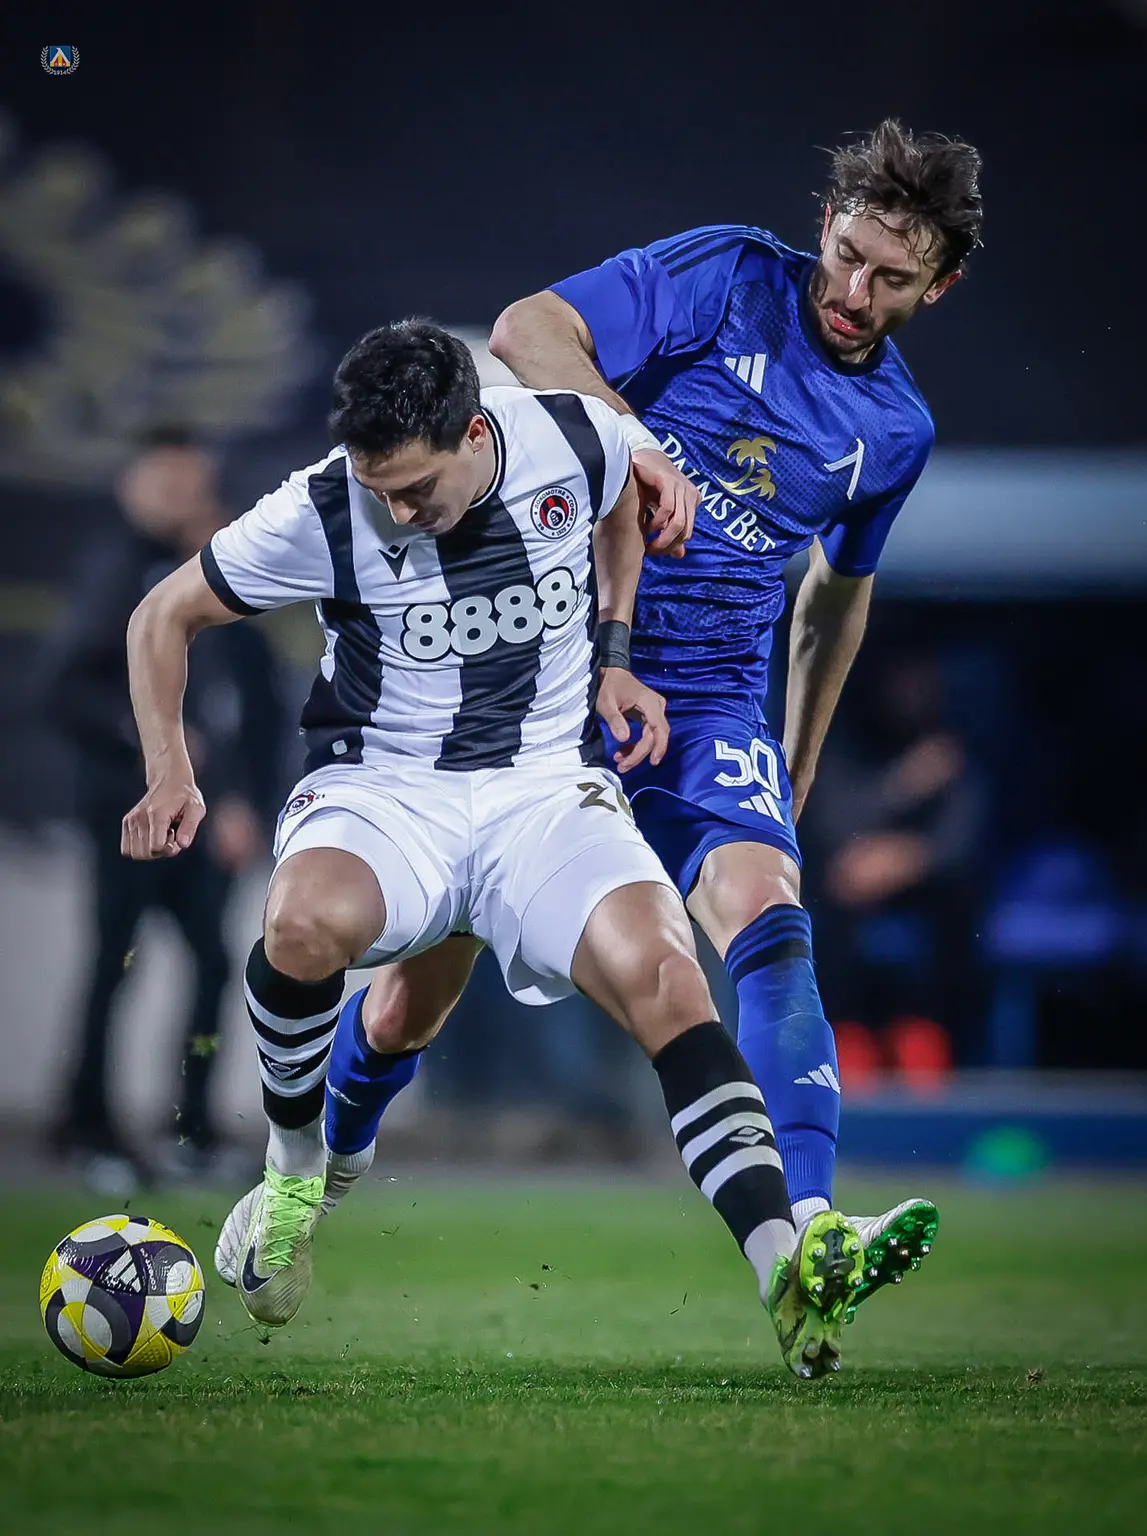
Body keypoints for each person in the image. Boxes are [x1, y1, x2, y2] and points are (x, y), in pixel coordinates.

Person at [121, 321, 866, 1379]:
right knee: (303, 925)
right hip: (389, 789)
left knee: (666, 975)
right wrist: (170, 771)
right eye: (380, 491)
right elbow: (162, 615)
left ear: (476, 431)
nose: (398, 511)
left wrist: (614, 653)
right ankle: (292, 1172)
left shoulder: (575, 436)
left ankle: (782, 1271)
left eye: (417, 488)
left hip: (543, 792)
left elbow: (618, 505)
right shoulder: (322, 506)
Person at [481, 117, 984, 1315]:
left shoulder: (894, 433)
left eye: (892, 279)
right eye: (848, 255)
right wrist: (633, 441)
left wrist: (796, 759)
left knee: (769, 911)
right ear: (826, 223)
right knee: (412, 993)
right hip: (557, 650)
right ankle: (303, 1180)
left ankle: (809, 1233)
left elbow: (835, 598)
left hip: (706, 697)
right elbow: (524, 331)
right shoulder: (727, 277)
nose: (853, 294)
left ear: (939, 286)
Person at [40, 426, 282, 1193]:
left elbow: (248, 713)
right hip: (131, 814)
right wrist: (154, 746)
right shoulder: (118, 573)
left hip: (204, 825)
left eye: (195, 485)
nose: (187, 499)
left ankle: (192, 1129)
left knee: (212, 965)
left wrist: (244, 802)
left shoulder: (212, 586)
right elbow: (62, 689)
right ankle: (86, 1127)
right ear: (135, 486)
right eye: (171, 484)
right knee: (115, 964)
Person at [802, 649, 988, 1054]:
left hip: (928, 903)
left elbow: (963, 843)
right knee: (823, 906)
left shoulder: (949, 748)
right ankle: (841, 1045)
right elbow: (829, 826)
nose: (912, 694)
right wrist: (902, 785)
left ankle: (937, 1046)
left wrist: (907, 859)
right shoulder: (845, 743)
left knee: (958, 915)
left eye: (922, 683)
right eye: (903, 682)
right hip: (845, 903)